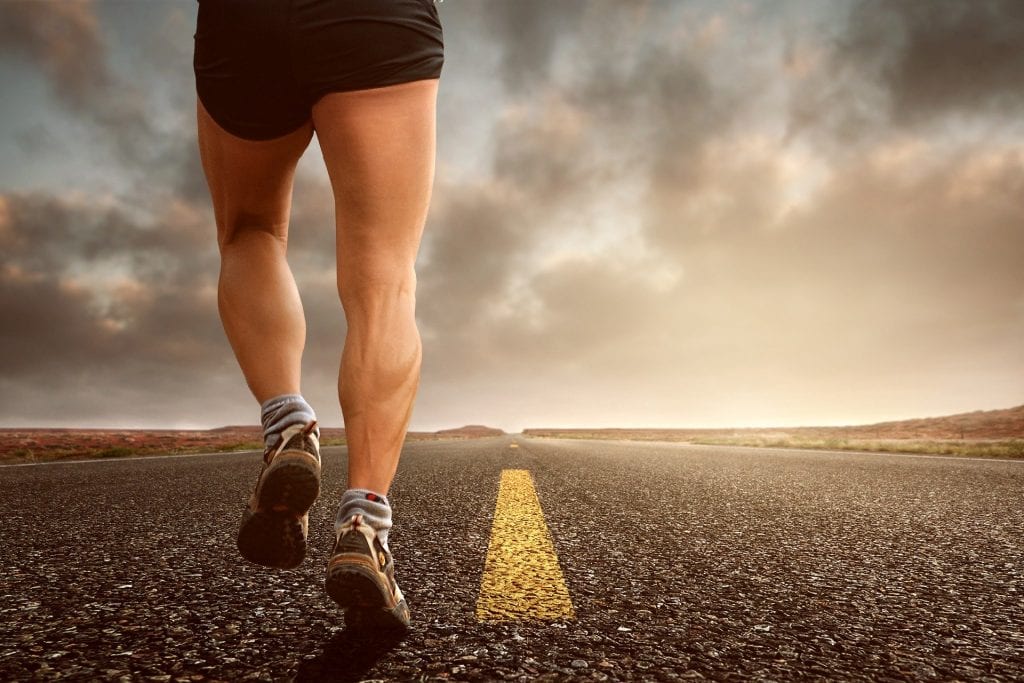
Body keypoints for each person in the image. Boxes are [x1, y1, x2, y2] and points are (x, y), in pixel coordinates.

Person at [192, 0, 444, 633]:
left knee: (250, 231)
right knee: (385, 280)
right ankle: (364, 525)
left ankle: (288, 422)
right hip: (376, 20)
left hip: (241, 20)